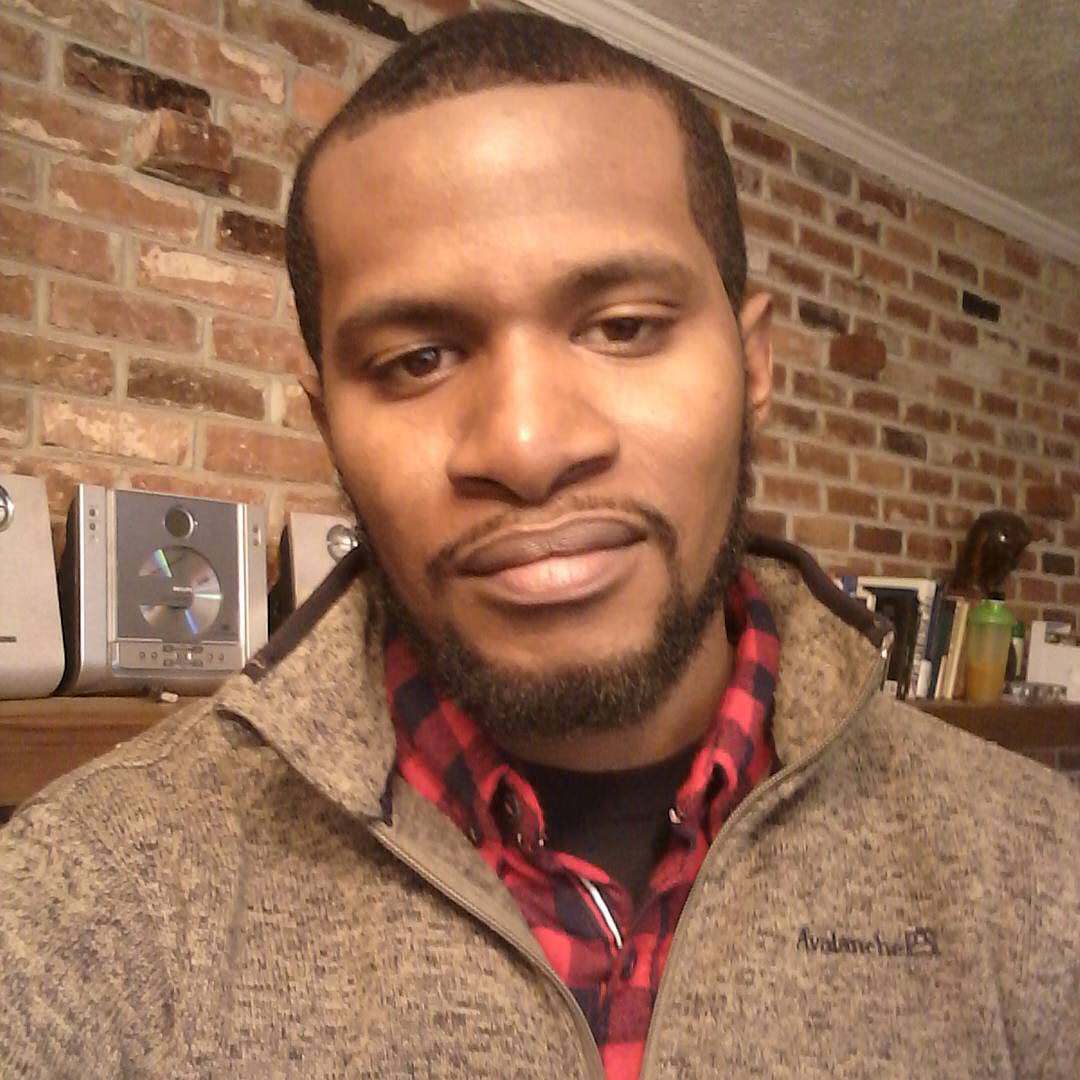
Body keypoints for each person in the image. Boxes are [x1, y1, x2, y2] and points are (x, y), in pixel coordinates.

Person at [1, 10, 1077, 1078]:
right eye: (418, 359)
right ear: (327, 420)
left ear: (753, 367)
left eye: (623, 327)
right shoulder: (84, 898)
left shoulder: (1036, 872)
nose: (526, 447)